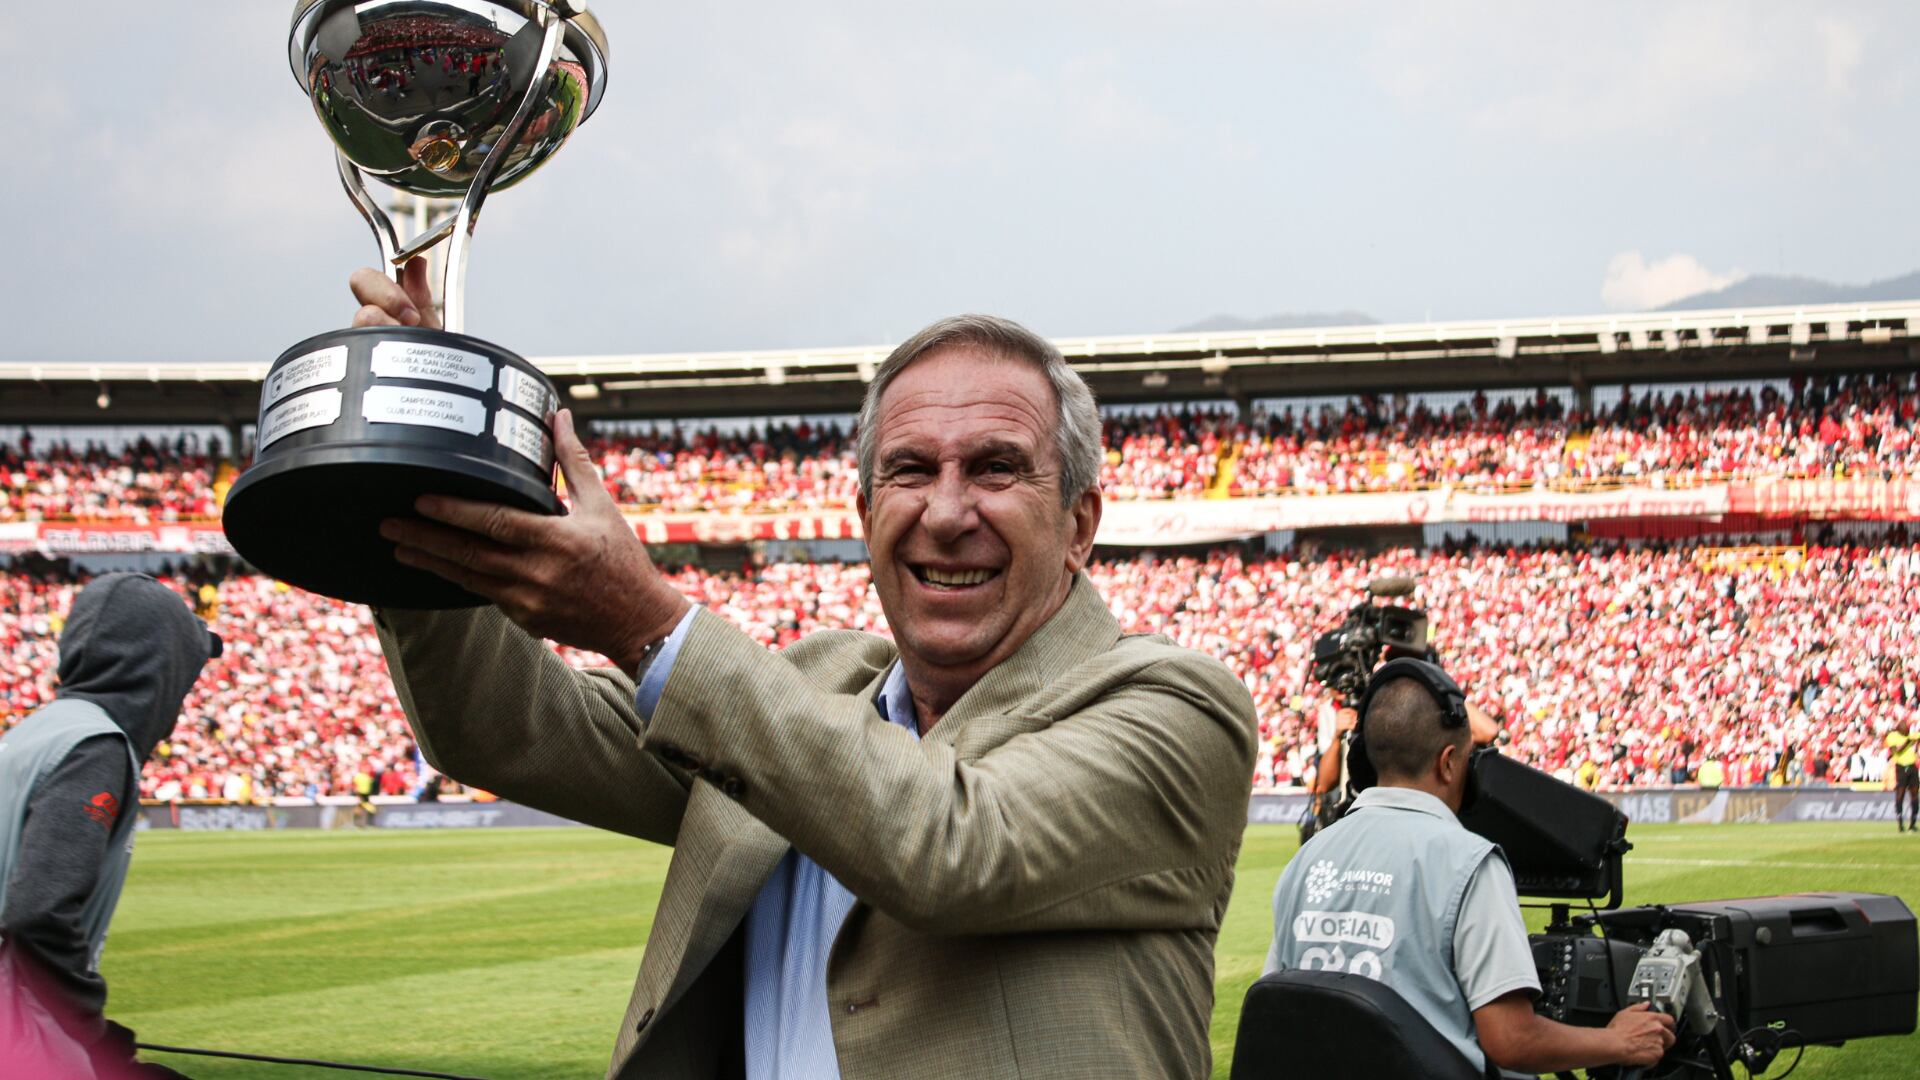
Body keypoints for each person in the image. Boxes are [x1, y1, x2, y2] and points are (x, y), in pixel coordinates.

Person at [351, 263, 1259, 1079]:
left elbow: (953, 846)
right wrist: (424, 463)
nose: (946, 512)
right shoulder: (817, 680)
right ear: (863, 512)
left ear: (1079, 524)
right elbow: (503, 724)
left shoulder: (1176, 706)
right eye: (909, 471)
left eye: (995, 469)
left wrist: (648, 623)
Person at [1263, 659, 1674, 1076]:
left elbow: (1277, 1006)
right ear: (1448, 763)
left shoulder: (1306, 860)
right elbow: (1511, 1040)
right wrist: (1619, 1040)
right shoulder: (1469, 862)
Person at [0, 573, 221, 1078]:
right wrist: (91, 1028)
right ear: (158, 671)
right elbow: (37, 913)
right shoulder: (94, 746)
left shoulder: (39, 730)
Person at [1888, 715, 1918, 832]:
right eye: (1905, 730)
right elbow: (1896, 751)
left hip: (1912, 767)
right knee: (1900, 794)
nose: (1907, 731)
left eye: (1908, 730)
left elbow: (1916, 737)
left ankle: (1913, 823)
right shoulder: (1892, 737)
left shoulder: (1911, 736)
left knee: (1914, 794)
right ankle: (1900, 823)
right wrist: (1908, 742)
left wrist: (1913, 740)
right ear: (1899, 730)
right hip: (1901, 767)